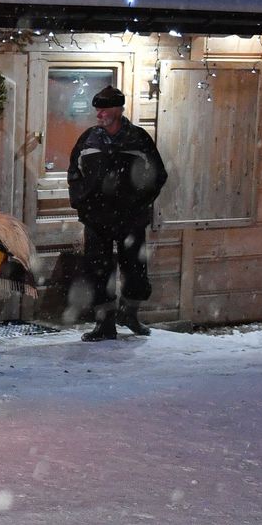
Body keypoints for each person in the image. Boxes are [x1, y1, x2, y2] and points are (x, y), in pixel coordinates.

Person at [68, 85, 168, 342]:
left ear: (118, 109)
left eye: (103, 109)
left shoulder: (138, 138)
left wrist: (138, 203)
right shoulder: (88, 139)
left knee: (135, 268)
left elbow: (157, 175)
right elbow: (74, 174)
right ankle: (104, 323)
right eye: (97, 110)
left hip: (130, 218)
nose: (99, 114)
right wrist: (83, 204)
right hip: (96, 219)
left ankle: (130, 314)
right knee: (97, 271)